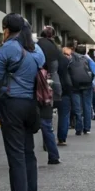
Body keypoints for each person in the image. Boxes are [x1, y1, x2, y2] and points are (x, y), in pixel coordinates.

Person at [0, 14, 45, 191]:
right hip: (32, 105)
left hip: (12, 104)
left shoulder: (8, 48)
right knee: (29, 152)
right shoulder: (35, 49)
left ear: (6, 29)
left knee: (16, 154)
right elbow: (41, 64)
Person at [36, 27, 62, 165]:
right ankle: (53, 155)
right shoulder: (55, 48)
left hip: (34, 91)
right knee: (47, 124)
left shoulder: (36, 47)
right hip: (49, 91)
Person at [67, 43, 95, 136]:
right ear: (85, 52)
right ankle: (87, 128)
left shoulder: (70, 59)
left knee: (77, 108)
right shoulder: (87, 59)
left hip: (75, 86)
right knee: (87, 106)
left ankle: (78, 128)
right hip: (87, 85)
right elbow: (94, 72)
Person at [56, 43, 73, 145]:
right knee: (64, 115)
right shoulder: (67, 61)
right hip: (66, 89)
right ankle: (62, 138)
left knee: (47, 117)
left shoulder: (49, 61)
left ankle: (47, 140)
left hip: (53, 89)